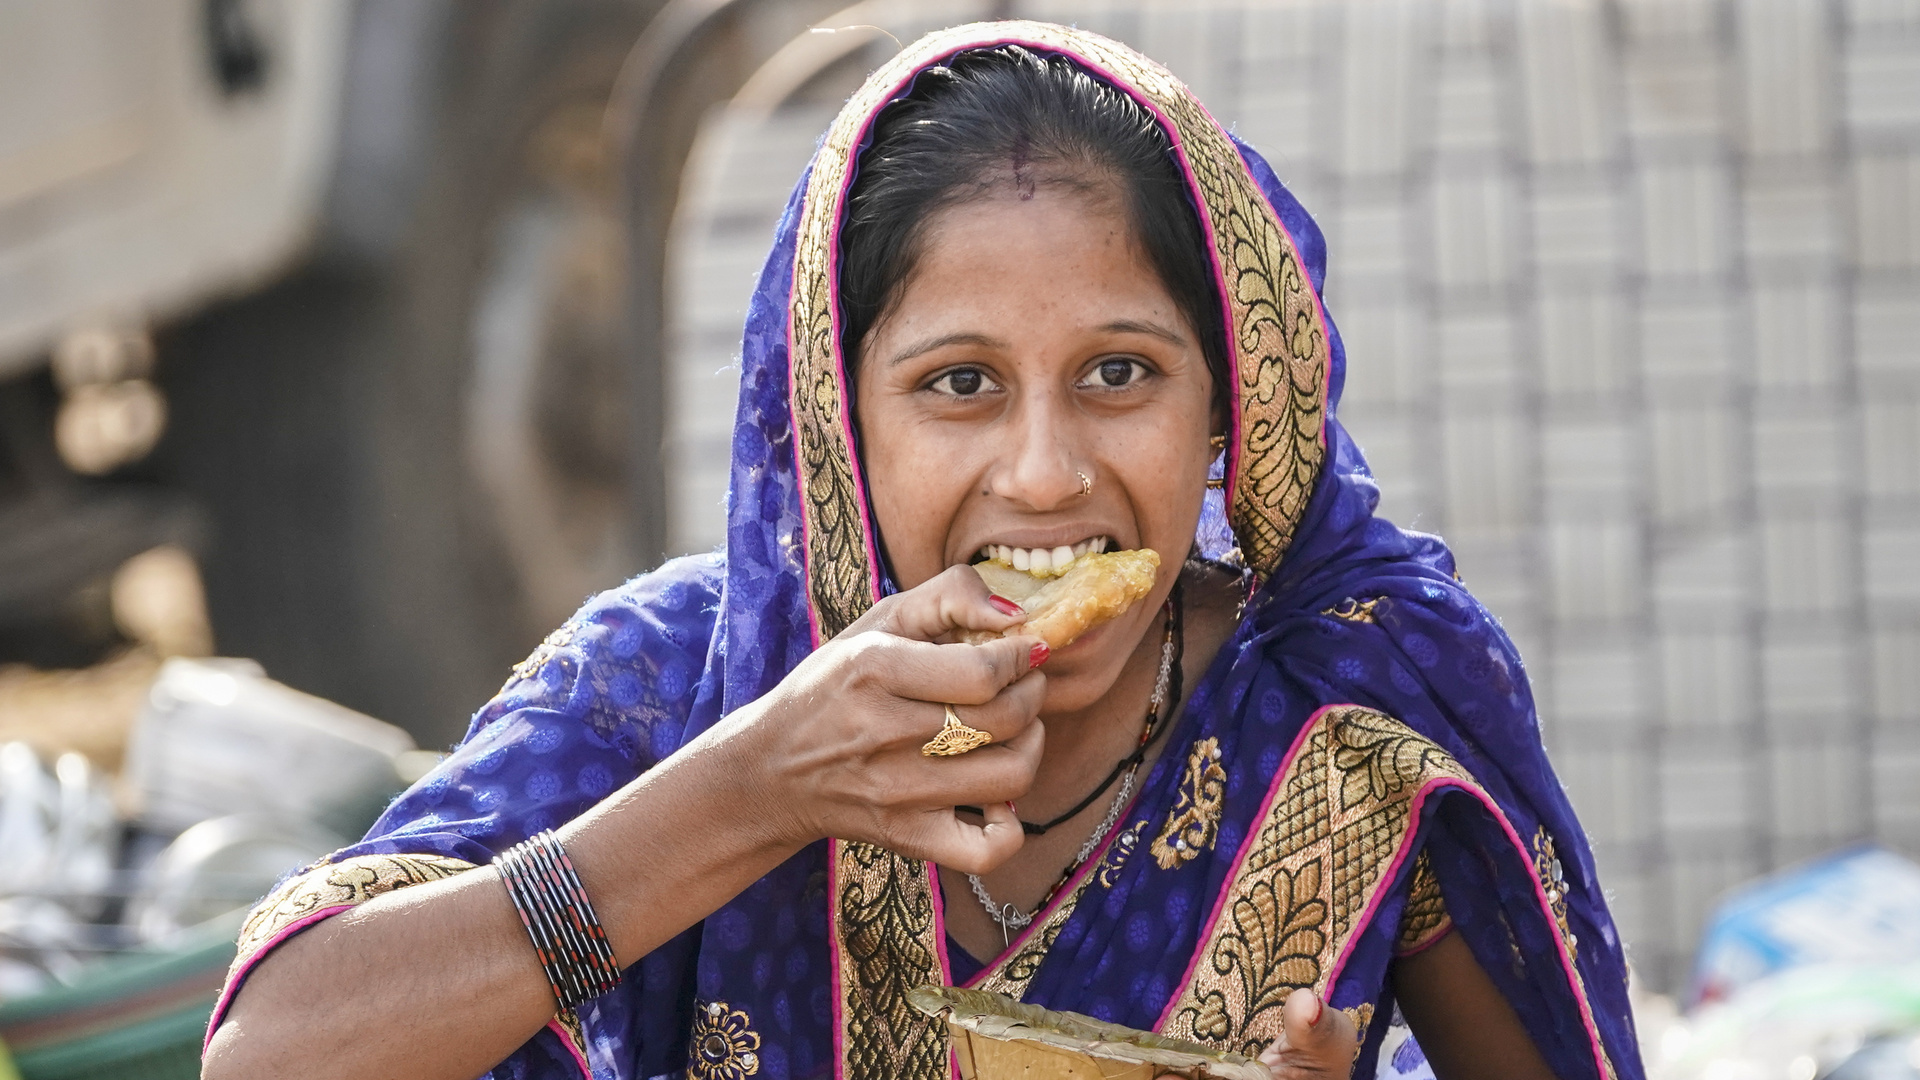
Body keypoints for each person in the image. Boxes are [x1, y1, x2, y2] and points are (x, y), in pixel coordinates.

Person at [201, 22, 1642, 1080]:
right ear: (843, 424)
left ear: (1230, 408)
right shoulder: (684, 685)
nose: (1043, 473)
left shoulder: (1354, 717)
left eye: (1121, 373)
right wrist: (754, 794)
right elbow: (270, 1056)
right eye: (958, 386)